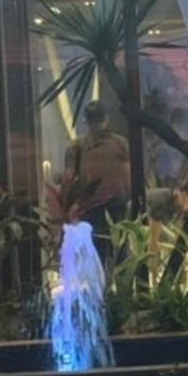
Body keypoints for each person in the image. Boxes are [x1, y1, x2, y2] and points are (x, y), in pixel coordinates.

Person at [65, 100, 132, 261]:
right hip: (93, 209)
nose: (96, 124)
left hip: (117, 207)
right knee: (100, 254)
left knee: (118, 254)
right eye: (93, 119)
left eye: (97, 119)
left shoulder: (120, 143)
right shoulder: (78, 146)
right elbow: (69, 178)